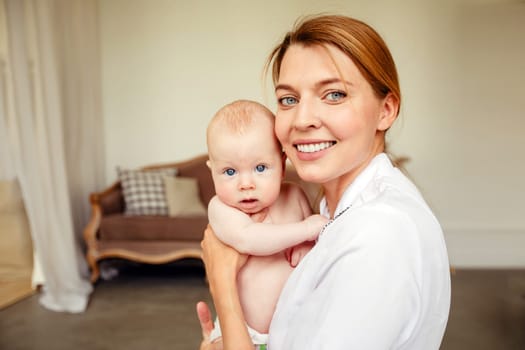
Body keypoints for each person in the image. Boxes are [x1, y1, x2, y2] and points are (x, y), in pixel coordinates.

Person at [197, 14, 451, 350]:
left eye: (334, 95)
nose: (302, 120)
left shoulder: (379, 236)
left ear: (385, 110)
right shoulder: (331, 211)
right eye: (289, 99)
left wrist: (223, 287)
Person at [205, 100, 328, 348]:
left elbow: (313, 246)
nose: (246, 184)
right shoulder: (222, 208)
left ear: (282, 166)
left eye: (260, 168)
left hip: (291, 330)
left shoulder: (294, 196)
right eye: (230, 172)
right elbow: (248, 238)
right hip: (242, 329)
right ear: (212, 171)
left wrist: (307, 244)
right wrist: (305, 230)